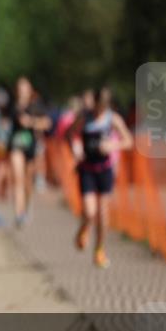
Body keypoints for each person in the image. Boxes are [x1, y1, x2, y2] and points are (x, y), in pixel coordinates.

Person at [67, 86, 133, 268]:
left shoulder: (113, 119)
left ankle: (99, 250)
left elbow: (128, 141)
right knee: (89, 212)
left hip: (105, 169)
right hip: (87, 168)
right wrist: (75, 147)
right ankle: (83, 230)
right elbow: (69, 134)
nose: (99, 111)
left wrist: (113, 145)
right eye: (98, 106)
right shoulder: (84, 117)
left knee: (103, 213)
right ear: (94, 102)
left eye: (103, 107)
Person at [6, 77, 51, 228]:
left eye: (24, 88)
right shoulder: (12, 105)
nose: (22, 91)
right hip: (15, 144)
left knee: (27, 181)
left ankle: (27, 205)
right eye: (19, 88)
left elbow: (47, 123)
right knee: (17, 179)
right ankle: (19, 214)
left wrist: (30, 122)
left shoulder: (36, 105)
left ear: (29, 90)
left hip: (31, 145)